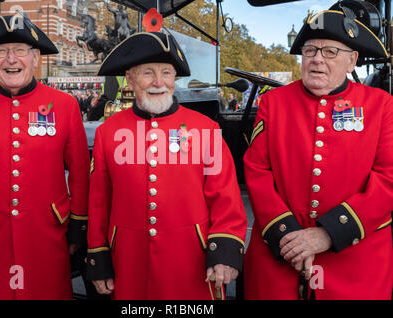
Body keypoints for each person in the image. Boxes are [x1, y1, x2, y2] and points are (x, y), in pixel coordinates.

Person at [243, 8, 393, 300]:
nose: (316, 59)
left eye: (330, 51)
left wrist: (328, 233)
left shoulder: (381, 106)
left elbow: (389, 178)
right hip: (279, 254)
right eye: (309, 50)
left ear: (352, 61)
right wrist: (287, 236)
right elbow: (257, 171)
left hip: (355, 262)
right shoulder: (273, 103)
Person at [86, 32, 247, 300]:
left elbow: (226, 196)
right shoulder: (108, 131)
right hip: (128, 260)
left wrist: (225, 250)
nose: (159, 82)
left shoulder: (206, 129)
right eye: (148, 73)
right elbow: (99, 200)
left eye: (167, 73)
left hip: (191, 260)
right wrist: (98, 254)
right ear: (130, 78)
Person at [0, 13, 90, 299]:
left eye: (20, 51)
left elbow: (81, 173)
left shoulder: (65, 106)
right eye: (1, 52)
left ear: (35, 57)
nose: (11, 59)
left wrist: (78, 226)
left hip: (46, 237)